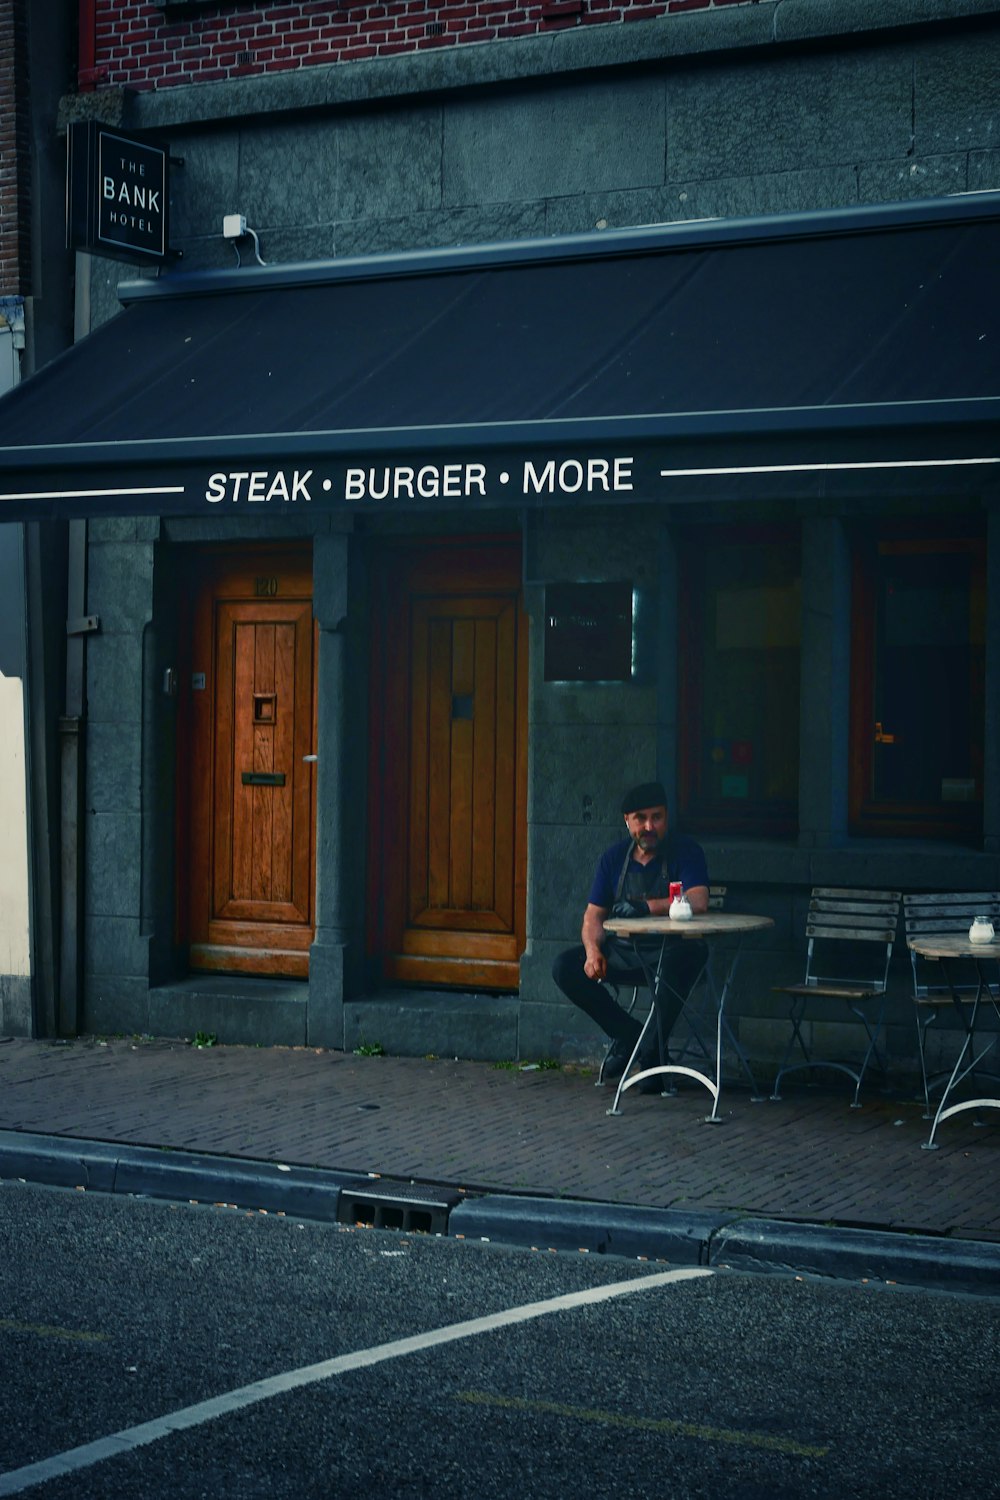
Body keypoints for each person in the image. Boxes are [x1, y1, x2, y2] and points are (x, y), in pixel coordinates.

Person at [552, 781, 710, 1089]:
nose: (649, 826)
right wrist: (593, 951)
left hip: (670, 950)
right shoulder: (612, 859)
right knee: (564, 967)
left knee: (689, 956)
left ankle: (649, 1055)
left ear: (667, 818)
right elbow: (593, 914)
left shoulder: (686, 851)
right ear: (627, 820)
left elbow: (699, 900)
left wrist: (646, 907)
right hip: (624, 952)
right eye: (641, 818)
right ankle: (633, 1037)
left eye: (657, 817)